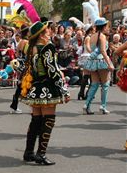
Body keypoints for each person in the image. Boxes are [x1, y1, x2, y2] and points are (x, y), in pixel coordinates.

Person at [20, 21, 70, 165]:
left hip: (35, 88)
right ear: (41, 35)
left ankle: (29, 152)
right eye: (47, 30)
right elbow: (52, 71)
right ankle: (40, 154)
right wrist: (64, 90)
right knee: (48, 120)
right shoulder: (47, 47)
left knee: (36, 120)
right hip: (47, 87)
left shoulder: (31, 47)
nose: (49, 32)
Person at [82, 18, 114, 115]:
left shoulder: (91, 36)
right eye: (107, 26)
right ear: (104, 26)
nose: (107, 28)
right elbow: (103, 51)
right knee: (105, 84)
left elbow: (91, 50)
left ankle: (86, 105)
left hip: (93, 62)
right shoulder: (102, 36)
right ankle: (102, 107)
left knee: (94, 84)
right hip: (102, 62)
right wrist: (109, 64)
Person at [77, 24, 93, 100]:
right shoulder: (88, 37)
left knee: (86, 76)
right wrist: (93, 52)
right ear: (90, 30)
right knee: (92, 77)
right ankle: (88, 94)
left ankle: (81, 93)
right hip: (88, 56)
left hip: (85, 56)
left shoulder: (86, 37)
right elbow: (87, 47)